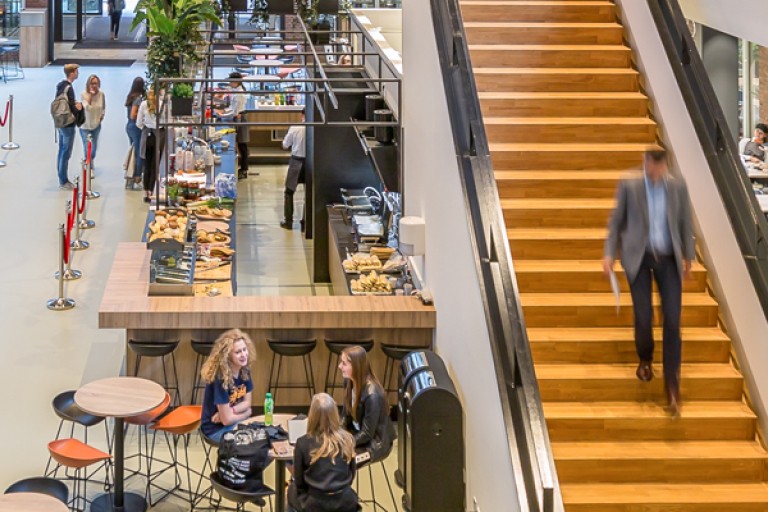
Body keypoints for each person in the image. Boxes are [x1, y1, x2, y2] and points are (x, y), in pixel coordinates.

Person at [602, 149, 694, 417]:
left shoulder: (677, 186)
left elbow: (685, 222)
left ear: (665, 165)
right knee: (643, 316)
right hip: (639, 258)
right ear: (645, 163)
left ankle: (672, 384)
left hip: (668, 259)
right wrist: (609, 253)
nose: (656, 172)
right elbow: (616, 222)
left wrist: (688, 255)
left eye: (661, 167)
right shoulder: (630, 185)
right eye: (652, 166)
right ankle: (645, 358)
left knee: (673, 320)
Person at [288, 393, 359, 512]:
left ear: (312, 416)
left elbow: (299, 482)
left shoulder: (303, 443)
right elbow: (351, 475)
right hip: (345, 502)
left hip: (316, 504)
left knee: (291, 490)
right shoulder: (348, 440)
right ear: (335, 414)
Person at [338, 346, 395, 462]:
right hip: (357, 433)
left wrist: (344, 443)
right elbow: (345, 415)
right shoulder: (349, 381)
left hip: (374, 444)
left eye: (344, 363)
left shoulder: (372, 395)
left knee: (338, 461)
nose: (339, 366)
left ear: (356, 367)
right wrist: (339, 434)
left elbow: (367, 434)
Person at [200, 329, 256, 442]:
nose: (243, 355)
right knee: (253, 442)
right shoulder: (221, 378)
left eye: (244, 350)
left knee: (262, 437)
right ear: (228, 356)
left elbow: (247, 403)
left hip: (234, 421)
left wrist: (230, 412)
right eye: (238, 352)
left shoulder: (244, 370)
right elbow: (226, 421)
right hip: (215, 430)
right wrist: (246, 413)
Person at [55, 63, 83, 190]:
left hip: (60, 122)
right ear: (71, 73)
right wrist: (78, 109)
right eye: (76, 71)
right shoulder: (69, 88)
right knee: (66, 151)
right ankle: (63, 180)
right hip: (68, 123)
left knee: (61, 150)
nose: (78, 73)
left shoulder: (61, 85)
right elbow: (71, 107)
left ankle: (61, 176)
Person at [222, 72, 250, 179]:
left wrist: (223, 114)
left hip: (241, 118)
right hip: (238, 117)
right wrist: (225, 111)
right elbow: (232, 108)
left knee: (243, 145)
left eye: (231, 81)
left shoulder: (240, 94)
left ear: (237, 82)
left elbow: (235, 112)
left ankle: (244, 170)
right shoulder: (235, 91)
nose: (229, 83)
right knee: (240, 144)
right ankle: (242, 168)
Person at [281, 111, 306, 230]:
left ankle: (288, 222)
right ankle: (306, 222)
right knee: (309, 193)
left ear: (302, 115)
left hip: (296, 161)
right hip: (310, 162)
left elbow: (285, 145)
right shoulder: (316, 128)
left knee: (289, 192)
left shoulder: (295, 128)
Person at [79, 74, 105, 175]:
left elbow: (103, 106)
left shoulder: (101, 94)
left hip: (96, 125)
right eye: (92, 83)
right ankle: (89, 167)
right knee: (87, 147)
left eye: (96, 83)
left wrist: (102, 116)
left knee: (93, 148)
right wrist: (91, 95)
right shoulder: (84, 94)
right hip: (85, 126)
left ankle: (90, 161)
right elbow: (88, 108)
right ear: (88, 84)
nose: (94, 85)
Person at [137, 89, 158, 203]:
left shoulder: (144, 104)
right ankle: (152, 191)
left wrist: (146, 128)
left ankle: (146, 192)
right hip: (159, 135)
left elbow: (138, 123)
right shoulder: (161, 103)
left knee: (147, 165)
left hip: (147, 135)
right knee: (155, 165)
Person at [124, 77, 144, 190]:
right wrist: (143, 115)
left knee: (133, 152)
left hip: (129, 126)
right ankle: (136, 176)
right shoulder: (138, 99)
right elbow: (133, 115)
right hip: (136, 127)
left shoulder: (130, 96)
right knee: (139, 154)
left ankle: (130, 177)